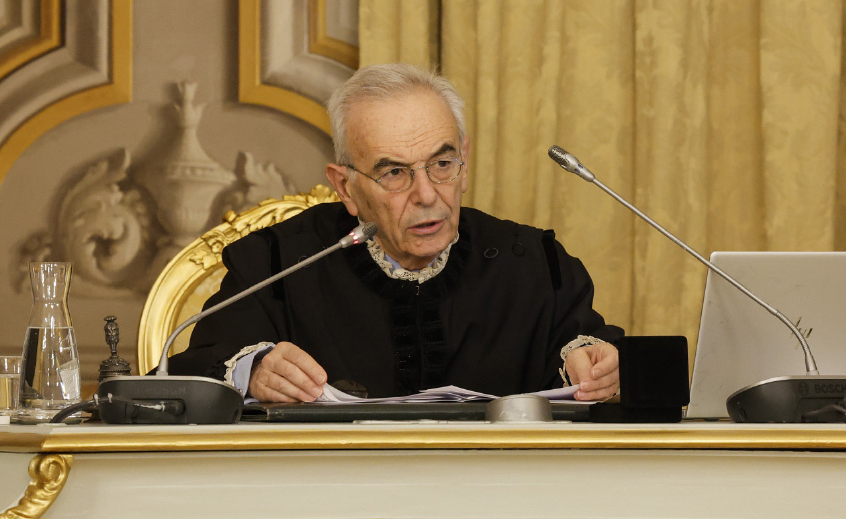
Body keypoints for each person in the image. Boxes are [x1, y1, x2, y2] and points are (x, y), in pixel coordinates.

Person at [166, 64, 623, 402]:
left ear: (464, 163)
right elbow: (190, 371)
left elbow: (587, 345)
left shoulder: (534, 262)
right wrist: (256, 371)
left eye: (442, 163)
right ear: (345, 187)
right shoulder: (274, 263)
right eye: (395, 173)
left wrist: (595, 367)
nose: (426, 194)